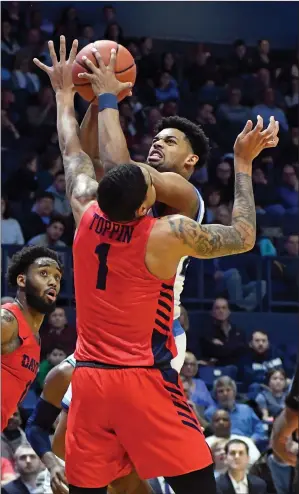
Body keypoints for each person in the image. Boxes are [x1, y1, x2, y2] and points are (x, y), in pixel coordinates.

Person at [33, 37, 278, 494]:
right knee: (134, 471)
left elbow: (83, 159)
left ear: (191, 160)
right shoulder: (161, 228)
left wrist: (83, 96)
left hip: (153, 344)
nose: (156, 146)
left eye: (170, 141)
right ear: (142, 198)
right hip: (131, 362)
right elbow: (108, 163)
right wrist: (91, 98)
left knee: (106, 460)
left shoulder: (177, 198)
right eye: (156, 138)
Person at [26, 353, 153, 494]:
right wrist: (53, 465)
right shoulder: (66, 372)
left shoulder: (148, 364)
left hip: (123, 471)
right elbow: (36, 426)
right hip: (71, 469)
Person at [1, 245, 62, 430]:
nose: (52, 282)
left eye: (57, 277)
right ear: (22, 280)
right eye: (44, 274)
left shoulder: (35, 337)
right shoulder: (7, 321)